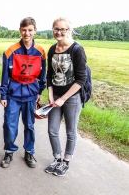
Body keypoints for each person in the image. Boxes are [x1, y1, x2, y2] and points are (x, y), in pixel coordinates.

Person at [0, 17, 46, 169]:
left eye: (30, 30)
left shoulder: (40, 52)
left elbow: (43, 75)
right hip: (13, 94)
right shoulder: (10, 52)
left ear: (35, 31)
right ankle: (9, 151)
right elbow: (5, 76)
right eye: (24, 30)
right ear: (20, 30)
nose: (27, 33)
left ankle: (29, 152)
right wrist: (3, 95)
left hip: (31, 94)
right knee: (9, 125)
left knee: (30, 125)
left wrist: (40, 90)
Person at [45, 17, 87, 176]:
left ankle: (66, 161)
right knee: (52, 130)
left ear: (69, 30)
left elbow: (81, 79)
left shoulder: (77, 50)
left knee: (71, 132)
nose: (59, 32)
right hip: (55, 96)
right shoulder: (52, 49)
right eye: (56, 29)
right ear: (53, 30)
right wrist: (50, 94)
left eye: (63, 29)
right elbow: (49, 74)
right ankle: (56, 158)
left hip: (72, 97)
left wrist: (63, 98)